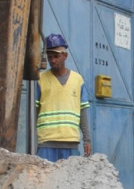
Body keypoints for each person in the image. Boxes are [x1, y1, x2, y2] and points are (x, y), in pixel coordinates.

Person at [34, 33, 91, 161]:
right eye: (50, 57)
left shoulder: (78, 80)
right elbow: (35, 112)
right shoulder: (41, 79)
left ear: (65, 55)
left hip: (70, 144)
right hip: (46, 144)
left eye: (56, 56)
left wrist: (87, 139)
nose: (53, 60)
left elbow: (83, 112)